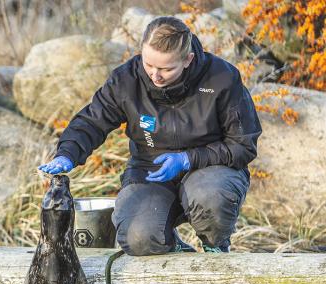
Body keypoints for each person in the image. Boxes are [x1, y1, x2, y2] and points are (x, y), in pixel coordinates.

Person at [39, 16, 261, 255]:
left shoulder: (222, 78)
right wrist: (68, 153)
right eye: (149, 65)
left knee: (211, 197)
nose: (155, 76)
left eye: (166, 69)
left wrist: (188, 159)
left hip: (211, 169)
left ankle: (214, 246)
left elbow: (243, 145)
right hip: (150, 170)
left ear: (188, 60)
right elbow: (92, 121)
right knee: (138, 237)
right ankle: (175, 249)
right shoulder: (126, 80)